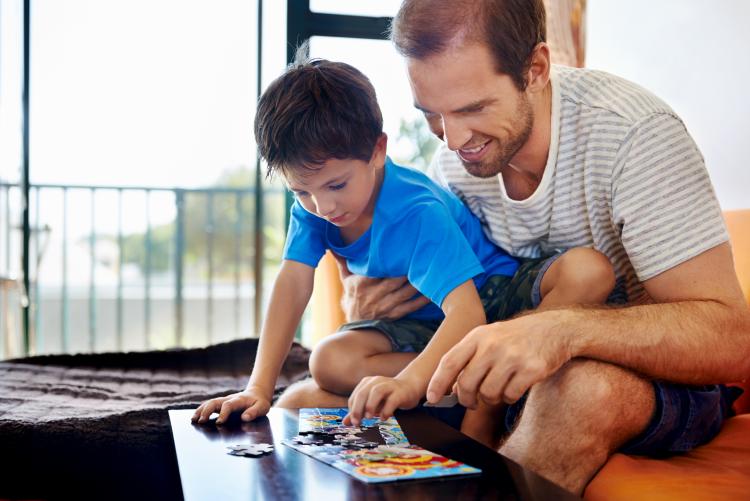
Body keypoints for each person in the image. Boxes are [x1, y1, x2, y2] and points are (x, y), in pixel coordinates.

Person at [275, 0, 750, 494]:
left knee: (576, 392)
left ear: (536, 69)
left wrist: (560, 331)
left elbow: (733, 341)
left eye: (472, 108)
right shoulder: (456, 162)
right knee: (303, 401)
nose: (453, 139)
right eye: (432, 114)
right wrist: (368, 304)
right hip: (497, 370)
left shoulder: (632, 135)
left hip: (645, 379)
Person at [191, 51, 617, 444]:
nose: (323, 205)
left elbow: (468, 313)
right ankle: (453, 385)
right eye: (301, 191)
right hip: (425, 324)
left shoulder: (416, 208)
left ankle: (484, 402)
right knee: (327, 362)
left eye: (337, 185)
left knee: (589, 270)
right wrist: (258, 387)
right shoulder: (316, 208)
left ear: (378, 151)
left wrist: (411, 383)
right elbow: (293, 282)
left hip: (495, 301)